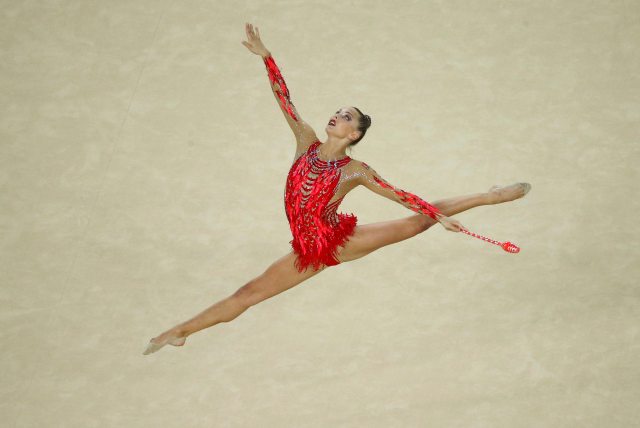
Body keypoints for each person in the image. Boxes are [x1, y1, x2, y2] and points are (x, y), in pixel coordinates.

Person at [142, 23, 531, 355]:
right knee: (248, 293)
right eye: (338, 111)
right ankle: (178, 332)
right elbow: (285, 100)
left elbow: (399, 194)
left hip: (337, 241)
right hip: (306, 249)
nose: (337, 116)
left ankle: (489, 195)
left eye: (347, 117)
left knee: (416, 223)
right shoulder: (305, 142)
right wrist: (267, 57)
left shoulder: (355, 170)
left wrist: (439, 216)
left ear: (355, 134)